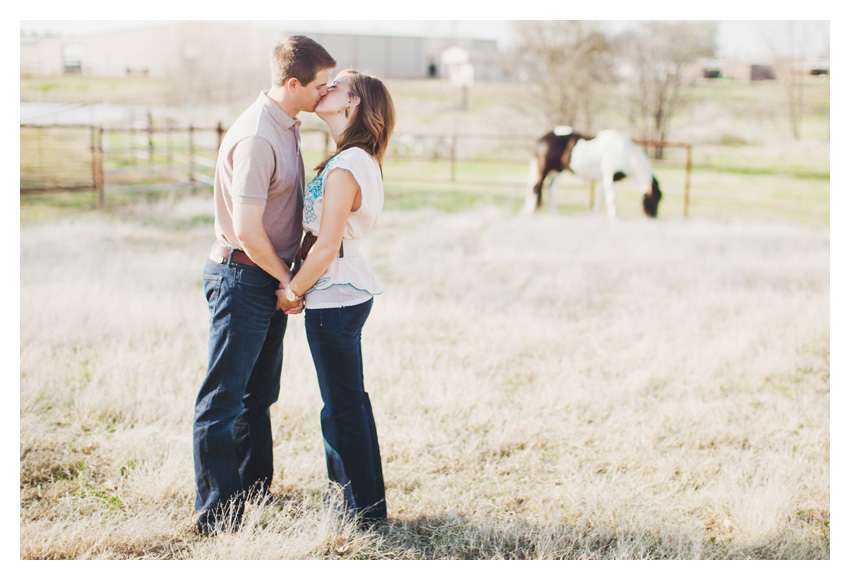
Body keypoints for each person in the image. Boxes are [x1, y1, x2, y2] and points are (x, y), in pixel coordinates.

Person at [193, 36, 336, 535]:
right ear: (293, 83)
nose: (327, 93)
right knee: (223, 400)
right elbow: (249, 230)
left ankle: (254, 495)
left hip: (265, 276)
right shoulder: (258, 136)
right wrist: (288, 282)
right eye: (321, 86)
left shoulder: (287, 125)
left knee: (258, 396)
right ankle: (217, 516)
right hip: (243, 275)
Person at [276, 70, 395, 526]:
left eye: (338, 86)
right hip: (344, 290)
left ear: (354, 105)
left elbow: (326, 246)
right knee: (350, 403)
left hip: (335, 294)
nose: (326, 89)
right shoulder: (355, 158)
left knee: (342, 408)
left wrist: (292, 290)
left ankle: (358, 512)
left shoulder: (348, 166)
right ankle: (366, 505)